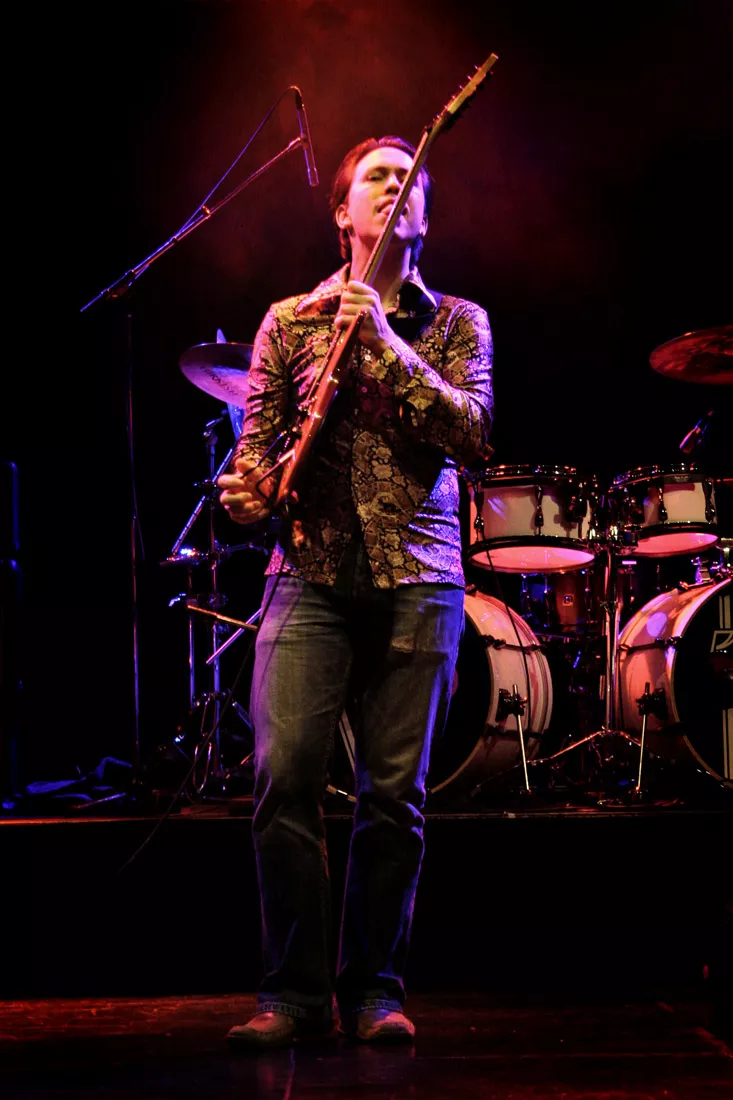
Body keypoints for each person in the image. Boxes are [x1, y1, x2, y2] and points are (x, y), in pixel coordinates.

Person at [217, 135, 494, 1049]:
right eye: (376, 175)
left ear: (424, 218)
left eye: (410, 178)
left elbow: (471, 433)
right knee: (284, 777)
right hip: (308, 576)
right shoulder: (287, 322)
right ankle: (292, 994)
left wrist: (382, 341)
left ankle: (375, 987)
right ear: (343, 212)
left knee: (393, 795)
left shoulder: (457, 322)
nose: (394, 186)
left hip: (420, 577)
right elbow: (256, 450)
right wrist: (245, 492)